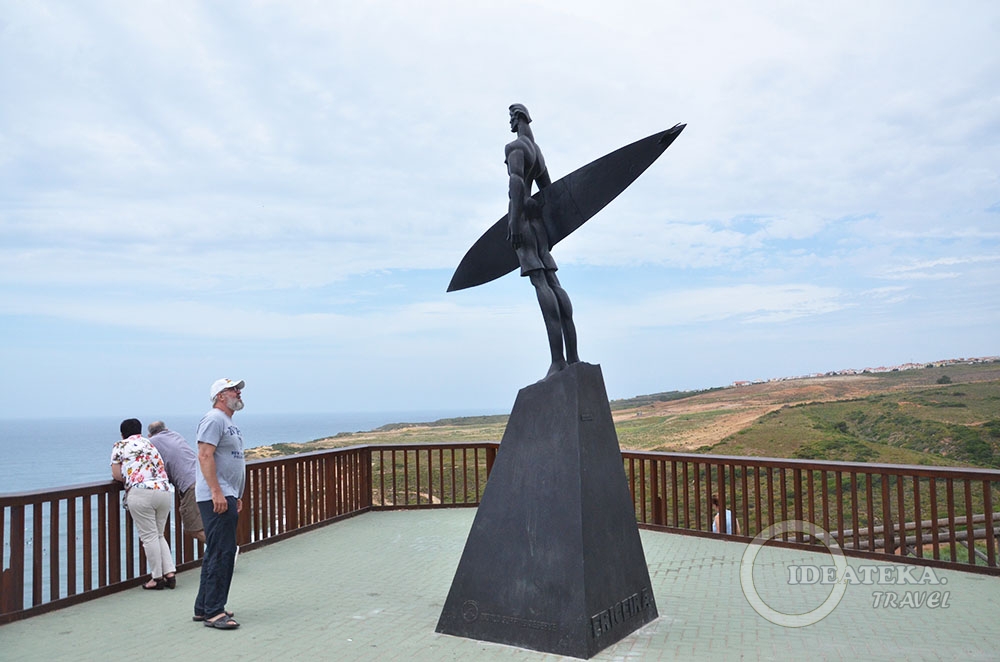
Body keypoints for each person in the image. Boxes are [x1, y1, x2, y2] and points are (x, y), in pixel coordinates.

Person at [505, 103, 580, 379]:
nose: (510, 123)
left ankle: (558, 361)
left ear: (519, 118)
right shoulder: (537, 153)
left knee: (540, 282)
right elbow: (549, 191)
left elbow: (516, 183)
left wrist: (514, 221)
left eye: (511, 118)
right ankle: (573, 357)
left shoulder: (514, 148)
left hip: (523, 221)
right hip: (539, 225)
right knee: (554, 282)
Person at [194, 378, 246, 629]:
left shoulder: (227, 422)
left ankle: (204, 607)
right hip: (217, 496)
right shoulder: (214, 419)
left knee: (216, 550)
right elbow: (205, 455)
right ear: (220, 396)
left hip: (227, 494)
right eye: (233, 389)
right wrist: (217, 492)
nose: (238, 392)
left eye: (238, 389)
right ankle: (214, 612)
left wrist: (236, 494)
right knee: (222, 552)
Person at [110, 418, 177, 590]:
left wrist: (130, 477)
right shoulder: (149, 444)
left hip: (141, 492)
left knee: (149, 537)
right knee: (159, 534)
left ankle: (157, 578)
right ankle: (170, 573)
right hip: (164, 491)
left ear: (122, 434)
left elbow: (116, 475)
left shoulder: (120, 445)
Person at [148, 420, 205, 544]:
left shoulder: (152, 442)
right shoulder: (175, 435)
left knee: (193, 530)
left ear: (150, 435)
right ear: (165, 429)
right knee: (207, 523)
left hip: (190, 484)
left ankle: (226, 549)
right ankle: (220, 552)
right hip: (203, 478)